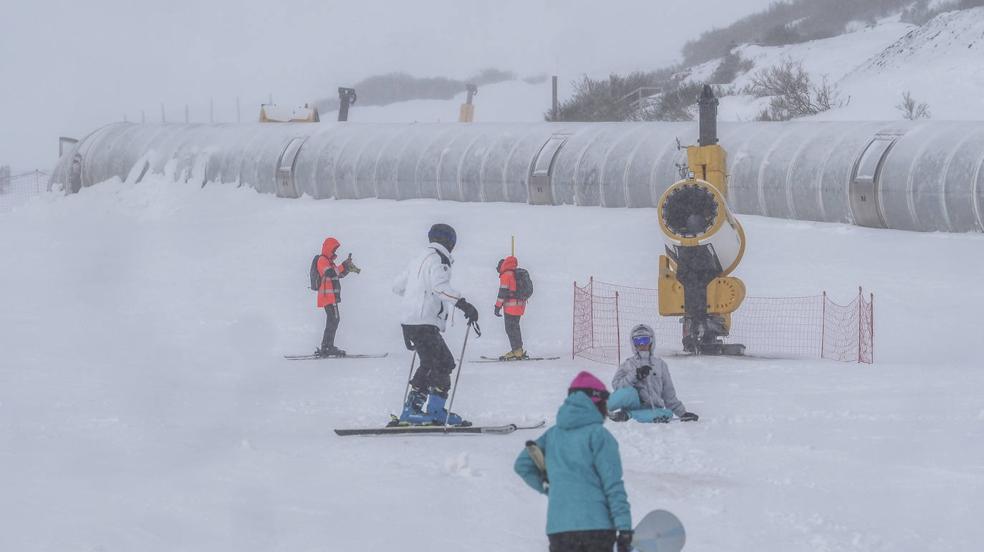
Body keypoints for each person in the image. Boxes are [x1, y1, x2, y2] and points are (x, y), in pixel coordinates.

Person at [515, 371, 634, 552]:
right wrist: (624, 529)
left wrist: (550, 488)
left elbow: (523, 464)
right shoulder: (599, 435)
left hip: (560, 529)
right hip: (597, 528)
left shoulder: (552, 435)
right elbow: (613, 485)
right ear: (597, 403)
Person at [391, 223, 479, 426]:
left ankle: (432, 410)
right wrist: (464, 305)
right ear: (449, 241)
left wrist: (416, 297)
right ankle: (413, 411)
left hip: (412, 320)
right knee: (434, 363)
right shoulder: (439, 260)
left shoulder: (418, 259)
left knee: (441, 362)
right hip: (423, 321)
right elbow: (440, 288)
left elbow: (397, 286)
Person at [609, 324, 699, 423]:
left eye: (645, 340)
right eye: (637, 341)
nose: (641, 344)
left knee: (667, 414)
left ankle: (628, 416)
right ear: (633, 343)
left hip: (652, 410)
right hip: (633, 403)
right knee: (629, 392)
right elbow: (617, 387)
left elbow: (668, 394)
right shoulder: (628, 364)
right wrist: (634, 375)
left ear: (651, 341)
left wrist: (682, 413)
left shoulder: (660, 364)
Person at [314, 237, 358, 357]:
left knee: (333, 320)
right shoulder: (322, 260)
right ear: (328, 248)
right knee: (334, 320)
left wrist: (347, 268)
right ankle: (327, 347)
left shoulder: (329, 262)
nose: (334, 251)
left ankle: (326, 346)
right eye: (333, 249)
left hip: (330, 296)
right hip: (328, 296)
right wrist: (343, 265)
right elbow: (329, 273)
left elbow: (338, 275)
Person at [493, 255, 528, 360]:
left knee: (510, 329)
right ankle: (518, 350)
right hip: (519, 305)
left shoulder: (506, 274)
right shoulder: (513, 272)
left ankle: (516, 350)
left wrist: (497, 307)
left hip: (511, 307)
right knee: (515, 328)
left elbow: (502, 292)